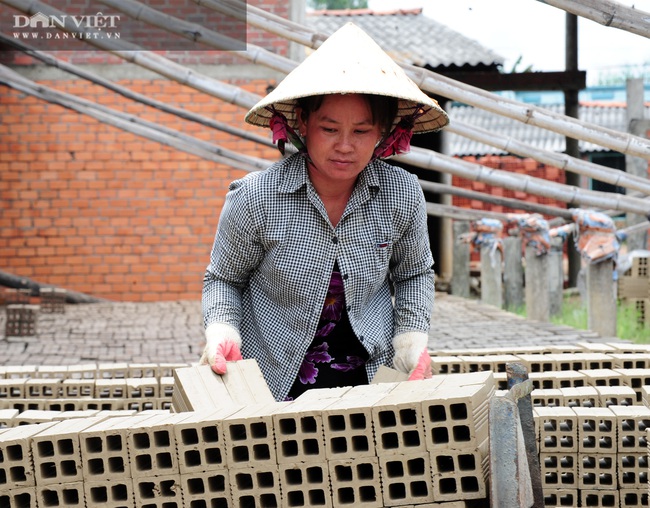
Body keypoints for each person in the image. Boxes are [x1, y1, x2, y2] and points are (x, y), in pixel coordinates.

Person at [200, 22, 449, 401]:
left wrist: (411, 341)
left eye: (362, 131)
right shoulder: (256, 197)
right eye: (330, 128)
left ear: (383, 131)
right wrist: (222, 332)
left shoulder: (402, 194)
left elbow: (414, 273)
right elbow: (224, 279)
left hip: (370, 379)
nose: (345, 146)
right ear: (303, 123)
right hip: (273, 378)